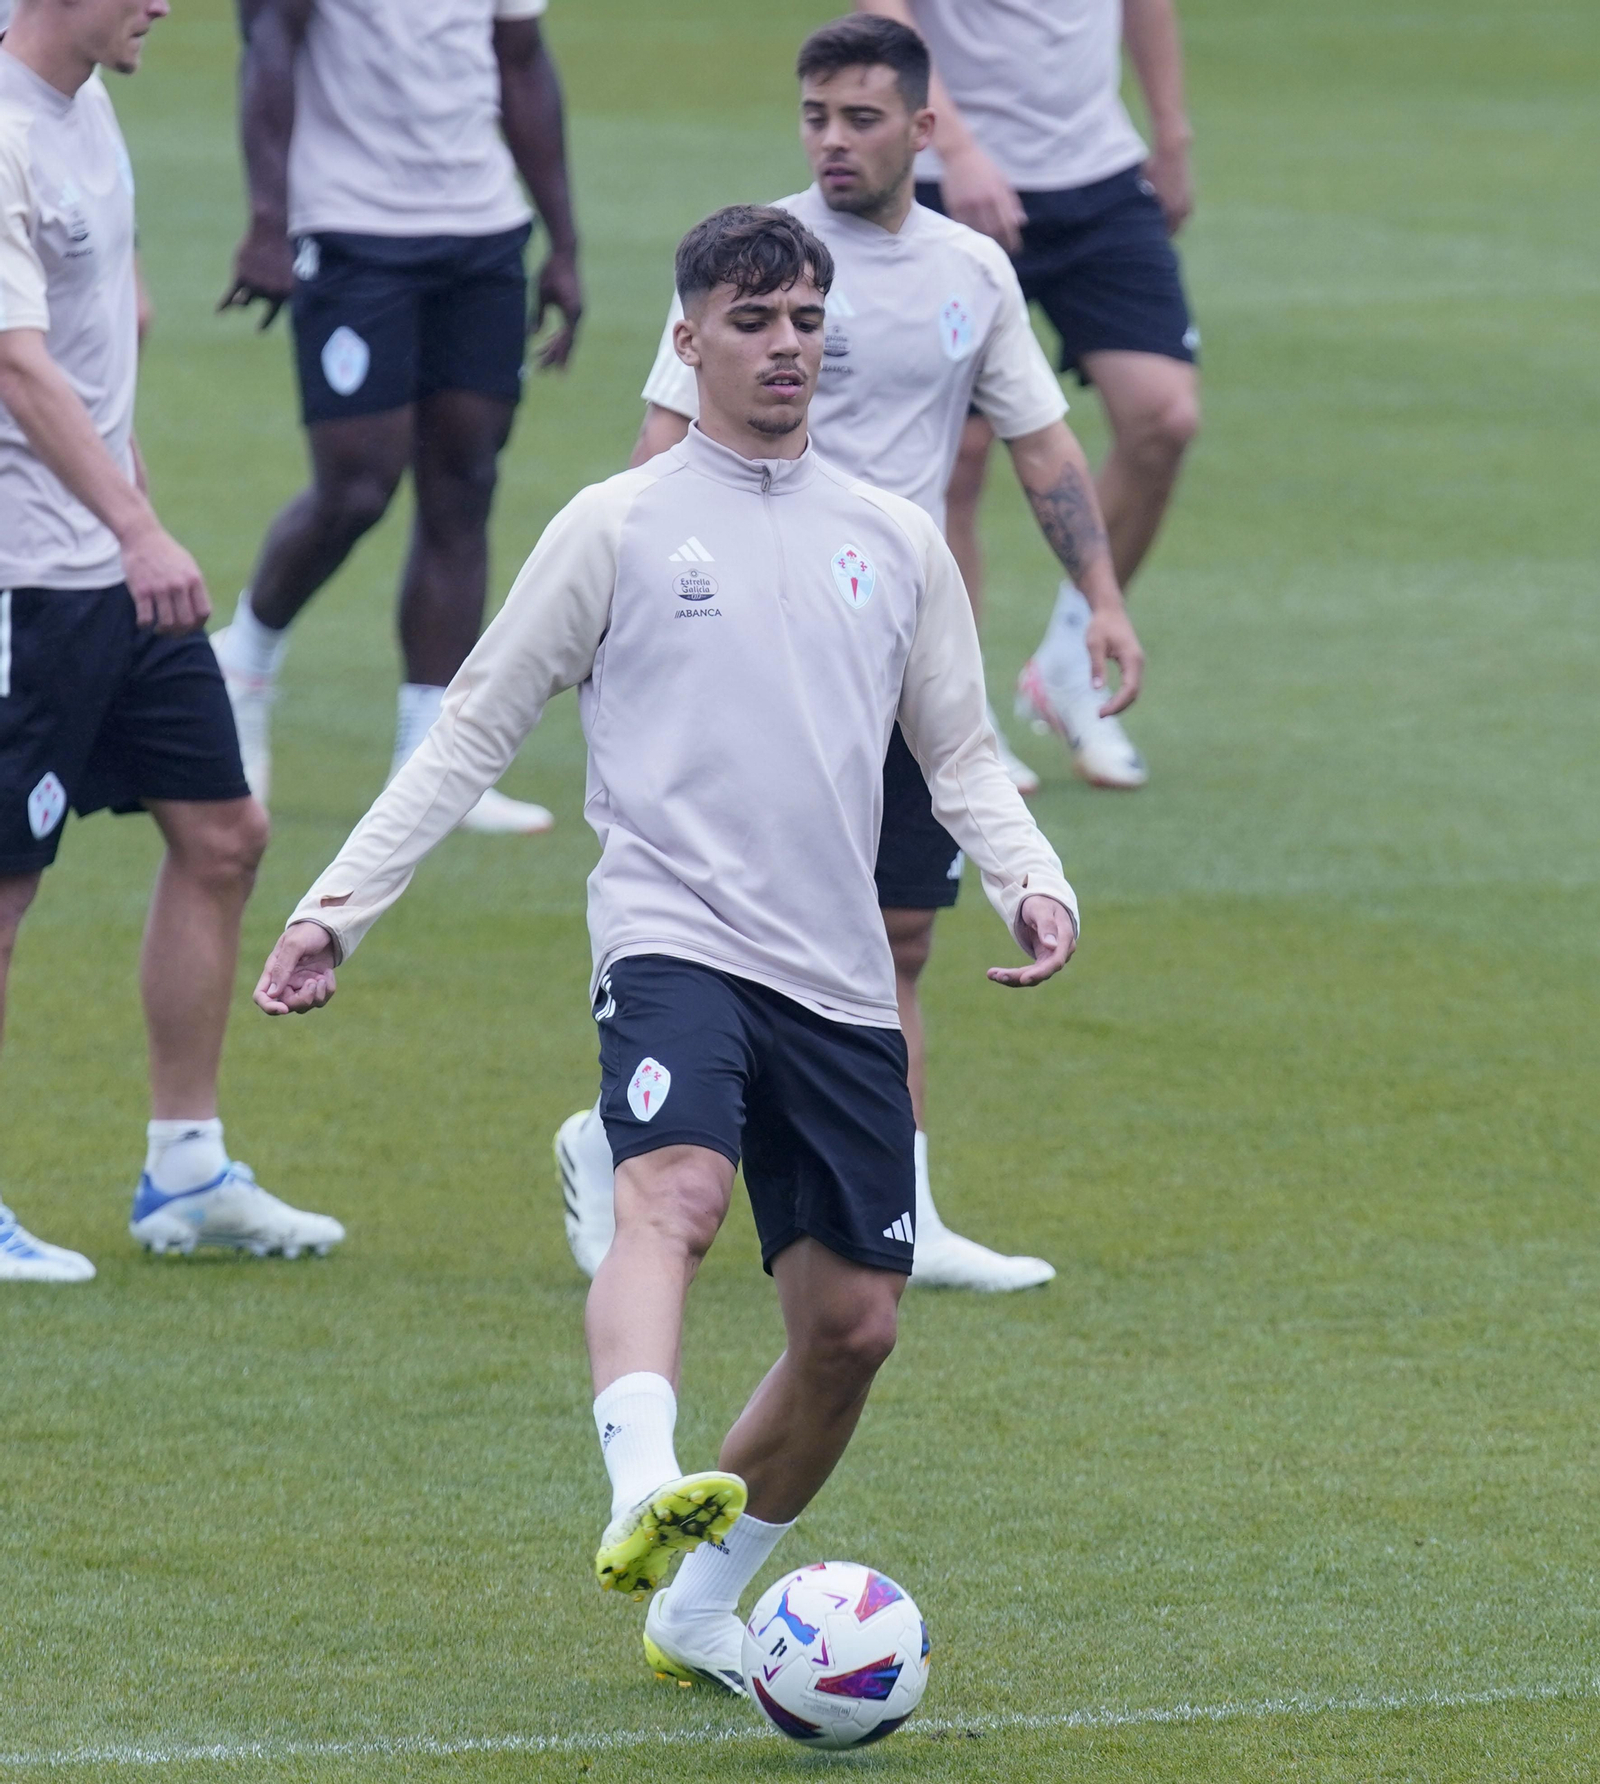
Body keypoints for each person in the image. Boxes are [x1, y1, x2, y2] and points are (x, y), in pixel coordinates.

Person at [253, 204, 1080, 1692]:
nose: (785, 350)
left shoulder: (892, 542)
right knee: (677, 1198)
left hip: (835, 980)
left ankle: (703, 1603)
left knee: (854, 1330)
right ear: (686, 338)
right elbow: (471, 737)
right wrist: (332, 908)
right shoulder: (618, 524)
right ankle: (643, 1478)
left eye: (808, 324)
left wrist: (1035, 880)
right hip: (673, 940)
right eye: (753, 324)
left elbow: (958, 758)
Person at [555, 14, 1141, 1294]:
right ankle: (630, 1135)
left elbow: (1040, 443)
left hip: (891, 647)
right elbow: (660, 447)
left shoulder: (972, 273)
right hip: (752, 652)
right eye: (815, 115)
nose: (832, 139)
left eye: (861, 117)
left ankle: (902, 1210)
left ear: (923, 129)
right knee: (742, 929)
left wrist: (1098, 595)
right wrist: (629, 618)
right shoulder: (751, 261)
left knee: (901, 939)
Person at [0, 0, 344, 1283]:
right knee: (2, 891)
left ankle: (186, 1172)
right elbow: (18, 366)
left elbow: (96, 346)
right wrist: (139, 527)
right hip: (26, 580)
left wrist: (132, 511)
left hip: (109, 559)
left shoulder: (88, 107)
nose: (166, 5)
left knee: (223, 832)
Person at [213, 0, 583, 833]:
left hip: (482, 229)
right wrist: (269, 218)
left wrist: (563, 242)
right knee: (357, 487)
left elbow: (521, 62)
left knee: (465, 482)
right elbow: (268, 43)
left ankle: (434, 765)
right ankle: (245, 659)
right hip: (351, 229)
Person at [858, 0, 1199, 789]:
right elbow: (882, 14)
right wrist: (958, 144)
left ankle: (1068, 667)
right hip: (952, 180)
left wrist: (1171, 131)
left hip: (1100, 176)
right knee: (959, 458)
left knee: (1164, 417)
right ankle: (957, 717)